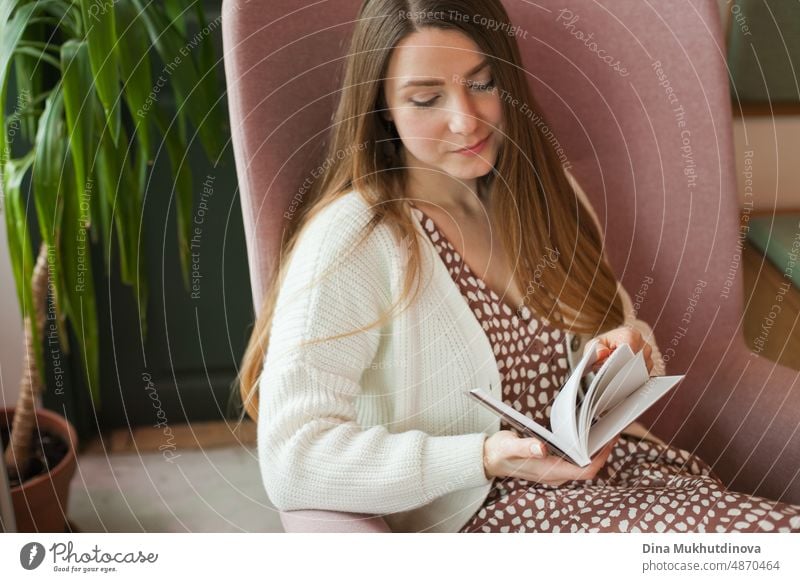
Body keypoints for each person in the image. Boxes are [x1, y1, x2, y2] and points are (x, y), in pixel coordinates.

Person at [236, 0, 800, 533]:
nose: (466, 120)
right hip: (493, 514)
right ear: (382, 107)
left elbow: (617, 334)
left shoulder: (543, 194)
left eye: (481, 83)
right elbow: (293, 456)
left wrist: (624, 349)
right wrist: (481, 457)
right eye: (426, 98)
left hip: (632, 482)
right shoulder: (356, 237)